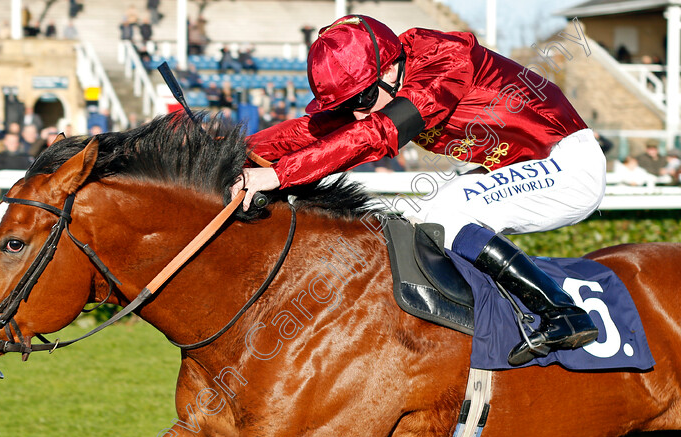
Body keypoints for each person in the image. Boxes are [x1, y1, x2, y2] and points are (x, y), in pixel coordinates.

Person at [232, 15, 607, 366]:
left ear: (391, 69)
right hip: (521, 165)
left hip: (568, 164)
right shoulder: (381, 80)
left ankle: (563, 313)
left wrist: (279, 176)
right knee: (420, 218)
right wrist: (229, 151)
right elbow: (309, 131)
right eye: (348, 104)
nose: (358, 113)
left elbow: (377, 135)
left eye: (360, 100)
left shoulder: (444, 64)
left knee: (448, 210)